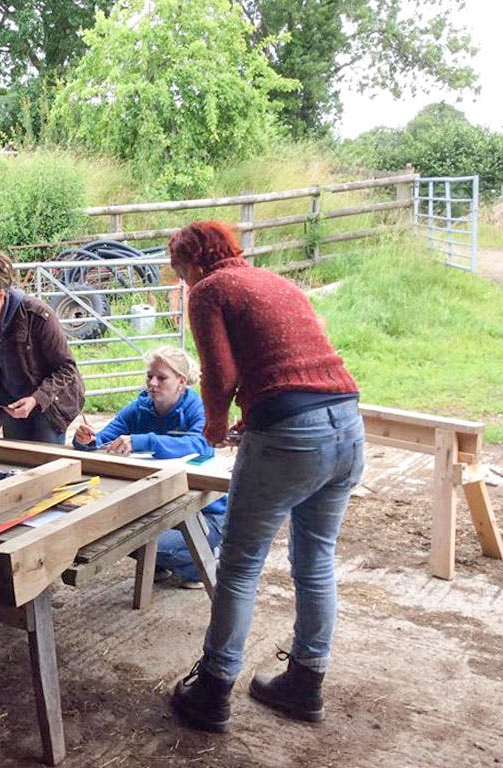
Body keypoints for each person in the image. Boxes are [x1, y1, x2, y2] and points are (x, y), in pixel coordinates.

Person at [166, 221, 364, 733]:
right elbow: (289, 364)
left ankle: (212, 689)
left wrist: (211, 425)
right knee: (316, 558)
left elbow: (220, 373)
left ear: (193, 262)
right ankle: (305, 681)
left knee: (238, 563)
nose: (182, 281)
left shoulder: (210, 290)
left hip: (290, 435)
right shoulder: (276, 282)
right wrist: (257, 410)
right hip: (345, 422)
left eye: (179, 270)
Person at [73, 345, 226, 588]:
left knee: (136, 540)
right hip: (160, 503)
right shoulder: (138, 408)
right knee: (114, 535)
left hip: (209, 513)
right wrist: (86, 440)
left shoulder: (198, 408)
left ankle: (203, 563)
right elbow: (102, 439)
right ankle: (163, 561)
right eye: (149, 376)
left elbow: (202, 444)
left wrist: (142, 440)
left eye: (161, 377)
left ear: (181, 382)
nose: (152, 383)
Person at [0, 251, 84, 444]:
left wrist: (36, 399)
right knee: (15, 459)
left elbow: (66, 369)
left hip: (49, 403)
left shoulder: (37, 314)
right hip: (10, 403)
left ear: (0, 295)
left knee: (46, 462)